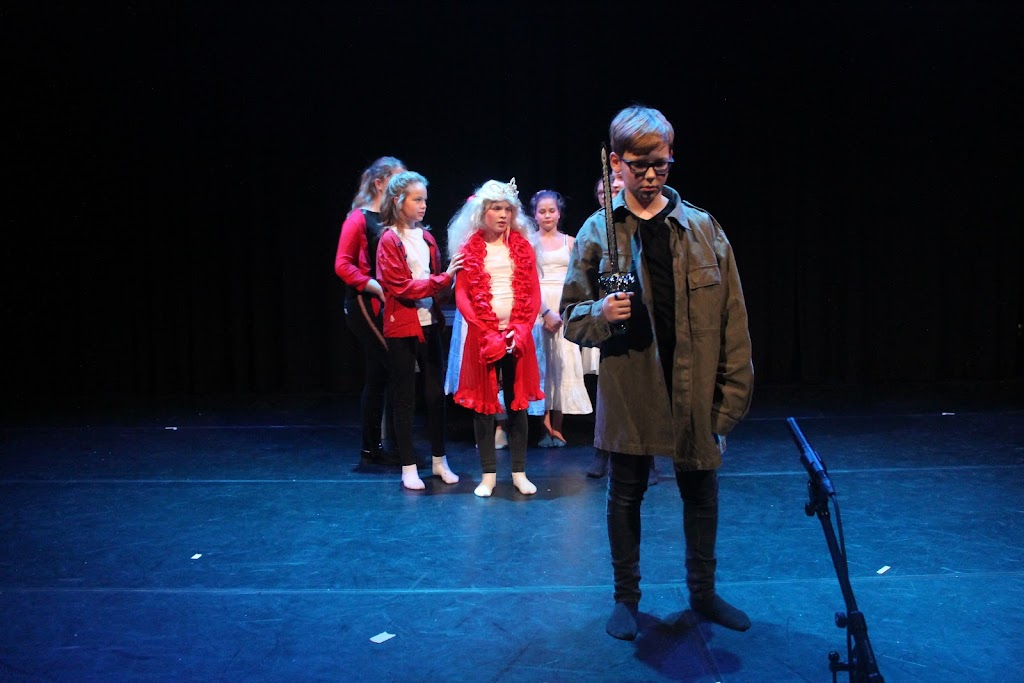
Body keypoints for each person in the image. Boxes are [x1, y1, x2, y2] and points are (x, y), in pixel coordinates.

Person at [561, 105, 754, 640]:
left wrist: (730, 401)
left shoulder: (702, 229)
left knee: (701, 491)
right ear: (616, 164)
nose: (649, 176)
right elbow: (570, 318)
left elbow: (734, 319)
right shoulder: (599, 232)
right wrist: (600, 313)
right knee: (626, 493)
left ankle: (703, 593)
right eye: (638, 165)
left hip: (694, 386)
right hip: (632, 387)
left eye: (660, 165)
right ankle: (626, 598)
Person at [448, 178, 544, 497]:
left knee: (517, 405)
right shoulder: (469, 250)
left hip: (517, 337)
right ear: (482, 212)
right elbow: (462, 296)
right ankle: (488, 475)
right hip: (484, 337)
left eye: (507, 209)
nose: (503, 215)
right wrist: (485, 330)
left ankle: (519, 472)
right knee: (484, 406)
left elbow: (533, 292)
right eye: (496, 208)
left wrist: (522, 327)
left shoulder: (523, 247)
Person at [376, 171, 463, 490]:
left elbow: (436, 282)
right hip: (402, 326)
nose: (423, 205)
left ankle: (440, 461)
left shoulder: (426, 238)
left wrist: (449, 283)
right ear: (399, 201)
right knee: (405, 397)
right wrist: (443, 280)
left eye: (425, 199)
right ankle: (408, 466)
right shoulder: (389, 239)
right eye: (417, 199)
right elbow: (401, 287)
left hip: (429, 323)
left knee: (435, 396)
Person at [335, 156, 406, 468]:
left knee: (379, 376)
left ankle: (373, 449)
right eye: (397, 179)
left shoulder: (392, 219)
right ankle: (393, 446)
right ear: (379, 183)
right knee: (395, 367)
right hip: (365, 302)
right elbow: (342, 264)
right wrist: (372, 285)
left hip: (387, 305)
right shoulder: (359, 218)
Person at [529, 190, 593, 447]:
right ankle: (543, 427)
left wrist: (566, 312)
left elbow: (578, 280)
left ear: (559, 213)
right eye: (542, 211)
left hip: (563, 306)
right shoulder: (528, 242)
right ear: (535, 215)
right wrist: (543, 312)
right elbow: (527, 281)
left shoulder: (570, 242)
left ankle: (558, 426)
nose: (547, 215)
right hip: (539, 307)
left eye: (551, 210)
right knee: (542, 363)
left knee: (563, 363)